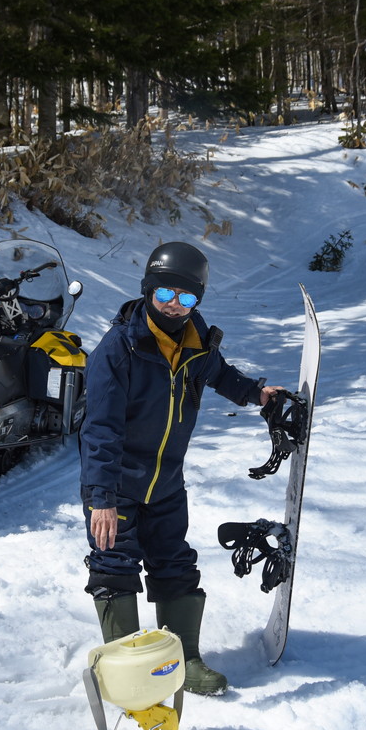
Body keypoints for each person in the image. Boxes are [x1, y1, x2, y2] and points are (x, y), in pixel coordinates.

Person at [79, 241, 283, 695]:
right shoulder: (119, 350)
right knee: (114, 565)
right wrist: (102, 501)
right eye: (165, 294)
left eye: (187, 297)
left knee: (174, 565)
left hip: (167, 481)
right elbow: (99, 430)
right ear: (149, 290)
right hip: (118, 485)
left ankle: (184, 660)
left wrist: (258, 394)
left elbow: (220, 374)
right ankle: (128, 665)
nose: (175, 305)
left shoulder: (196, 342)